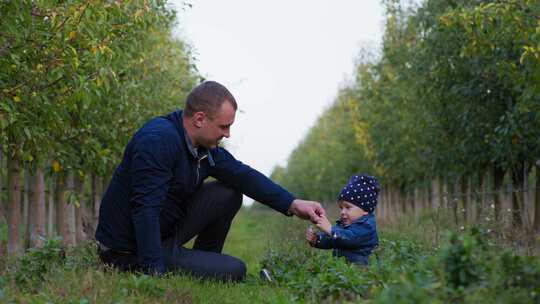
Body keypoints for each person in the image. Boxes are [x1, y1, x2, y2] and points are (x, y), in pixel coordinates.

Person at [95, 80, 325, 281]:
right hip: (128, 249)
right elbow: (145, 211)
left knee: (229, 192)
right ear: (199, 119)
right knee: (235, 270)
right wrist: (154, 275)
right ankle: (174, 266)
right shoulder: (157, 141)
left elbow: (242, 175)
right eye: (224, 126)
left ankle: (203, 262)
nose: (227, 134)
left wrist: (294, 204)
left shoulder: (204, 148)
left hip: (165, 230)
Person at [305, 174, 379, 266]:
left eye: (348, 207)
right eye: (341, 208)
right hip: (343, 271)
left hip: (361, 273)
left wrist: (331, 230)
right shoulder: (343, 224)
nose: (342, 212)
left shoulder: (367, 226)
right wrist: (317, 240)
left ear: (365, 210)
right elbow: (334, 241)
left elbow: (349, 238)